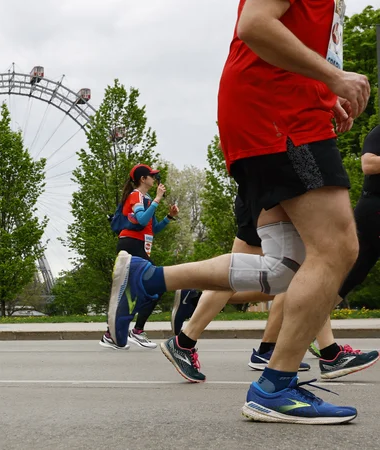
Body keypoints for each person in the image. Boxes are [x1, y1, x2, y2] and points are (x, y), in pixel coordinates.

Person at [109, 0, 370, 424]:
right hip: (280, 120)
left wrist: (324, 93)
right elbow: (254, 25)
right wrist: (334, 78)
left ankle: (148, 277)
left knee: (284, 268)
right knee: (337, 247)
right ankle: (275, 385)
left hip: (272, 116)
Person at [165, 195, 378, 382]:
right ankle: (185, 319)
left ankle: (307, 351)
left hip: (270, 192)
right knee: (303, 269)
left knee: (301, 271)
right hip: (268, 192)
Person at [100, 164, 178, 350]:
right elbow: (141, 219)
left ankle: (111, 334)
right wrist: (158, 199)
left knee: (131, 291)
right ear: (143, 179)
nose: (154, 179)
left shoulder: (146, 198)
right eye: (151, 176)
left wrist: (169, 217)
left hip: (139, 245)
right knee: (156, 286)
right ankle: (136, 331)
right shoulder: (136, 195)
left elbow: (153, 228)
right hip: (131, 245)